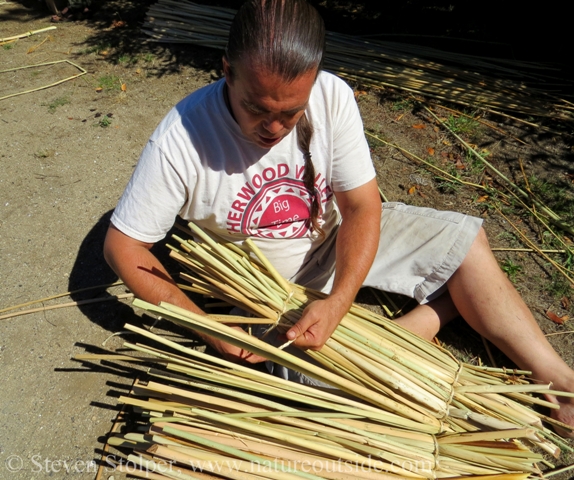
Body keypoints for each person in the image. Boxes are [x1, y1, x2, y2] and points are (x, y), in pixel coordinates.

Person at [103, 0, 574, 436]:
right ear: (226, 70)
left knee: (464, 240)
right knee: (309, 383)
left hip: (338, 239)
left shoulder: (331, 96)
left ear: (313, 80)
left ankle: (559, 383)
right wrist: (205, 325)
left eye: (290, 113)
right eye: (256, 109)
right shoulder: (182, 138)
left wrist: (341, 298)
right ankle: (438, 311)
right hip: (268, 287)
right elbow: (124, 245)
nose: (273, 128)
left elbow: (362, 207)